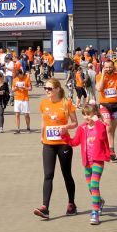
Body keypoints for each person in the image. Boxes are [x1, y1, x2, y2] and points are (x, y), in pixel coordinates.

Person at [33, 78, 78, 220]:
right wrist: (41, 136)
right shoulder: (43, 103)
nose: (47, 91)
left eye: (49, 88)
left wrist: (65, 127)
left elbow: (75, 123)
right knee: (48, 175)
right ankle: (45, 207)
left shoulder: (66, 103)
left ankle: (71, 203)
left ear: (58, 89)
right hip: (48, 144)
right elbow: (43, 122)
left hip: (63, 143)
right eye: (45, 88)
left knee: (66, 174)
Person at [63, 103, 111, 225]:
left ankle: (95, 212)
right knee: (91, 187)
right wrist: (65, 135)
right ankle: (99, 201)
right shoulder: (82, 128)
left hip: (97, 160)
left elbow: (101, 136)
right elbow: (74, 142)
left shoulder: (100, 126)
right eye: (84, 115)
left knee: (94, 185)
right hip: (87, 162)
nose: (86, 117)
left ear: (95, 114)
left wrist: (98, 122)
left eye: (89, 114)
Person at [94, 60, 117, 161]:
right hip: (104, 105)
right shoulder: (99, 76)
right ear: (103, 67)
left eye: (110, 67)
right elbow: (99, 88)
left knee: (112, 131)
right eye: (106, 67)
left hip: (116, 105)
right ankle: (110, 151)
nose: (108, 69)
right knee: (108, 128)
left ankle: (110, 149)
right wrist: (102, 75)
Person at [12, 67, 33, 133]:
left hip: (25, 98)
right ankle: (18, 129)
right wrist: (16, 88)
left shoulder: (27, 78)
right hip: (17, 99)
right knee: (17, 114)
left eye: (19, 75)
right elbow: (12, 89)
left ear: (22, 74)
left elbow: (30, 88)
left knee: (26, 114)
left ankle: (28, 127)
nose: (19, 77)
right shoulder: (15, 79)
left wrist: (25, 88)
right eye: (17, 76)